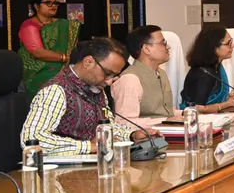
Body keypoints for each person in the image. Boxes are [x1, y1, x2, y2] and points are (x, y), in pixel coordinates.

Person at [20, 38, 153, 155]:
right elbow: (31, 139)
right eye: (108, 73)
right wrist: (88, 146)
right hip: (60, 175)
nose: (109, 81)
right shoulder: (56, 90)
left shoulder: (95, 87)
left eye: (114, 76)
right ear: (88, 62)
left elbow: (107, 126)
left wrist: (131, 136)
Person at [18, 0, 80, 96]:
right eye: (48, 3)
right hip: (38, 71)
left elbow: (73, 46)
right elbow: (38, 52)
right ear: (37, 6)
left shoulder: (64, 25)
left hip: (66, 68)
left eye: (55, 3)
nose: (53, 6)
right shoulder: (29, 25)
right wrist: (64, 58)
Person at [110, 25, 175, 119]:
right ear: (146, 49)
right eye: (163, 43)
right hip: (147, 133)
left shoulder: (161, 73)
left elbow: (165, 112)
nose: (168, 47)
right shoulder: (130, 79)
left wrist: (185, 115)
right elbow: (125, 122)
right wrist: (167, 121)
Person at [181, 25, 234, 114]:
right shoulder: (204, 73)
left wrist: (227, 100)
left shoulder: (216, 66)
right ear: (214, 47)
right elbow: (198, 108)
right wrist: (227, 103)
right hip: (195, 120)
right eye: (228, 43)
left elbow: (212, 100)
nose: (233, 46)